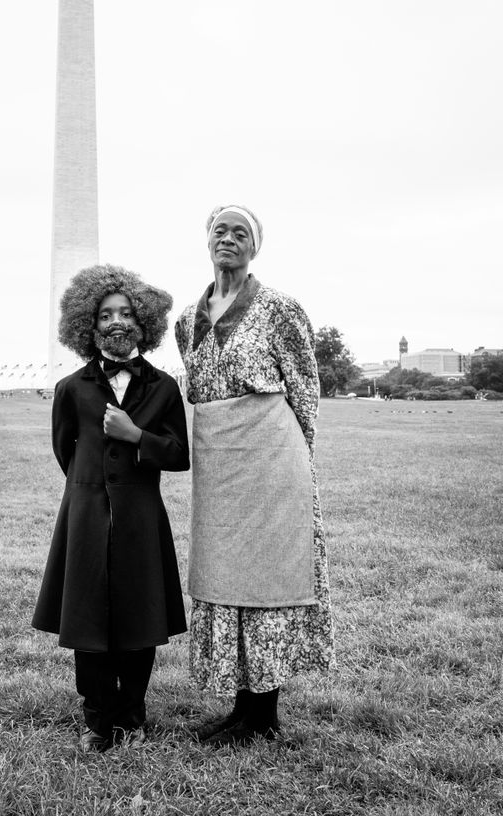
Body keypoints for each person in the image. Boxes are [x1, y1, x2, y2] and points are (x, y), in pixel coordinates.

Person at [175, 204, 335, 746]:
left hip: (270, 455)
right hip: (219, 461)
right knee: (226, 573)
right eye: (219, 230)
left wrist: (297, 458)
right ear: (207, 240)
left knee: (267, 573)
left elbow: (305, 388)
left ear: (255, 246)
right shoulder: (186, 320)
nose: (228, 239)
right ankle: (240, 707)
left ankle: (264, 715)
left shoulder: (281, 308)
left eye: (240, 233)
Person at [32, 264, 189, 753]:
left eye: (126, 313)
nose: (116, 321)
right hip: (86, 516)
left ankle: (132, 715)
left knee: (141, 620)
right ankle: (98, 718)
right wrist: (93, 487)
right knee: (90, 622)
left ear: (144, 323)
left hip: (142, 518)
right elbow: (66, 451)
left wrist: (137, 437)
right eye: (105, 314)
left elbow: (181, 454)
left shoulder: (164, 387)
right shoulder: (71, 388)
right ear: (89, 325)